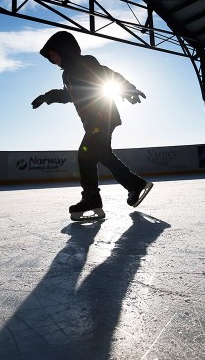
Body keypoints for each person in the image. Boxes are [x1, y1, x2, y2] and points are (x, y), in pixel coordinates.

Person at [31, 31, 153, 221]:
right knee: (104, 156)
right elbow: (68, 95)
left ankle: (92, 199)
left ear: (65, 49)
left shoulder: (85, 62)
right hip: (93, 122)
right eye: (50, 56)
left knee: (85, 155)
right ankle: (135, 185)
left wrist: (127, 88)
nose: (53, 58)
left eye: (54, 53)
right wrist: (48, 97)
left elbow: (108, 75)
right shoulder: (67, 75)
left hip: (102, 117)